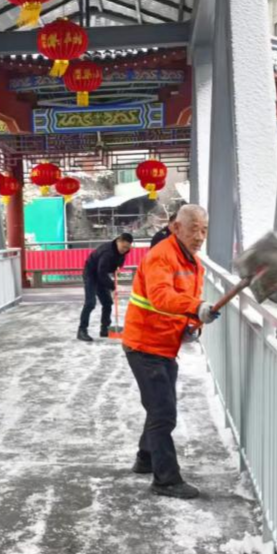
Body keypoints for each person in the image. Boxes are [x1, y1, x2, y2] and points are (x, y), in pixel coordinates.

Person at [121, 204, 218, 500]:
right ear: (176, 228)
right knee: (163, 411)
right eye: (193, 229)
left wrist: (192, 324)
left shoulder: (194, 264)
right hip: (144, 344)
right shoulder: (161, 256)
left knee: (159, 406)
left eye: (204, 230)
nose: (199, 237)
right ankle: (165, 480)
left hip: (165, 344)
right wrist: (196, 308)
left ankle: (146, 458)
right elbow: (161, 296)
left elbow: (186, 302)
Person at [77, 232, 133, 342]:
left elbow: (117, 265)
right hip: (91, 274)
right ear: (118, 241)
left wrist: (117, 268)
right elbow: (101, 272)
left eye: (127, 247)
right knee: (90, 303)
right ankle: (82, 330)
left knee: (107, 303)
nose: (125, 250)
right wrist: (113, 287)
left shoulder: (122, 251)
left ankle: (104, 329)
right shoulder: (107, 252)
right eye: (123, 247)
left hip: (101, 274)